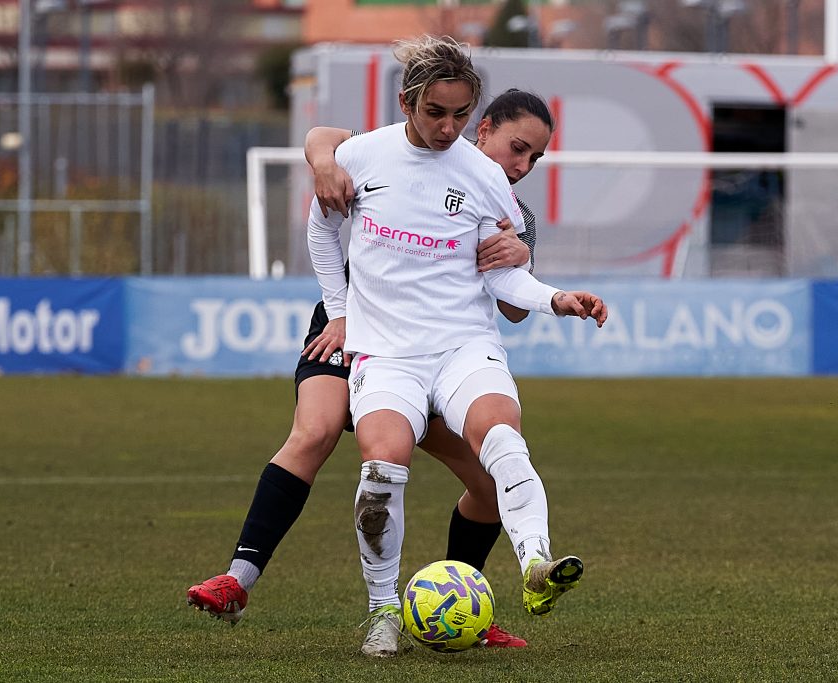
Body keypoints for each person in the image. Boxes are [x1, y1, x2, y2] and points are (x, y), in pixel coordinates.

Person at [185, 92, 549, 647]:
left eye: (533, 160)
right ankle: (237, 581)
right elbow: (321, 138)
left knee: (488, 482)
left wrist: (521, 254)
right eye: (517, 148)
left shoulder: (511, 212)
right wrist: (326, 164)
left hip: (435, 353)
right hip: (351, 326)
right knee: (317, 429)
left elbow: (515, 309)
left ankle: (459, 604)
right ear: (484, 128)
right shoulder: (404, 149)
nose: (521, 166)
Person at [305, 35, 607, 658]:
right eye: (436, 113)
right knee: (381, 468)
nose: (448, 127)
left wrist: (556, 298)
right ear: (408, 102)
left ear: (475, 111)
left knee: (502, 436)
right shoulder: (361, 156)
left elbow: (504, 278)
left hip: (464, 345)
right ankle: (384, 613)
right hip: (386, 353)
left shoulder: (485, 178)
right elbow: (320, 233)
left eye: (460, 114)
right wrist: (339, 316)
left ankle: (537, 566)